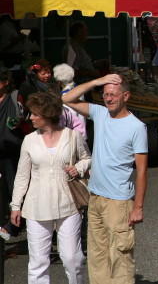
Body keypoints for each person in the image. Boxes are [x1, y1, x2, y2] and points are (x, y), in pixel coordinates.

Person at [62, 73, 148, 283]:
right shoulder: (100, 113)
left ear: (125, 96)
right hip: (96, 197)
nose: (108, 99)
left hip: (119, 201)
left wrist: (138, 207)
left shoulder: (136, 127)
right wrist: (96, 82)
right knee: (97, 256)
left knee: (121, 257)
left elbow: (142, 171)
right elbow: (66, 99)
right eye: (105, 94)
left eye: (113, 95)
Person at [9, 92, 91, 283]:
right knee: (38, 261)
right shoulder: (29, 140)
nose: (30, 118)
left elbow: (87, 158)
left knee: (72, 258)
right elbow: (22, 175)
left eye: (34, 114)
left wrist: (78, 168)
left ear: (47, 114)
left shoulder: (73, 136)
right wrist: (15, 205)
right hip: (36, 206)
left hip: (68, 204)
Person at [0, 68, 23, 242]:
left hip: (10, 150)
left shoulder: (14, 97)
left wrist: (16, 121)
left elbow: (21, 117)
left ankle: (14, 223)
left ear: (5, 82)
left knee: (12, 186)